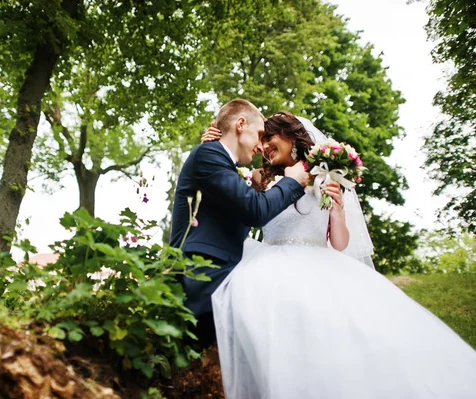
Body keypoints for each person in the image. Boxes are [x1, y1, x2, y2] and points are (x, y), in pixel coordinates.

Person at [203, 111, 476, 398]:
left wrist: (337, 207)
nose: (265, 145)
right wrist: (214, 145)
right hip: (267, 260)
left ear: (290, 137)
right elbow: (229, 195)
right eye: (262, 140)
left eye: (269, 137)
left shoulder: (323, 178)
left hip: (319, 263)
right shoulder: (259, 178)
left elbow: (340, 243)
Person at [169, 100, 309, 350]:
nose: (260, 146)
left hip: (218, 270)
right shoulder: (208, 154)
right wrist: (292, 183)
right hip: (203, 272)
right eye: (259, 135)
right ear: (240, 124)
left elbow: (241, 213)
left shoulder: (220, 162)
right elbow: (255, 211)